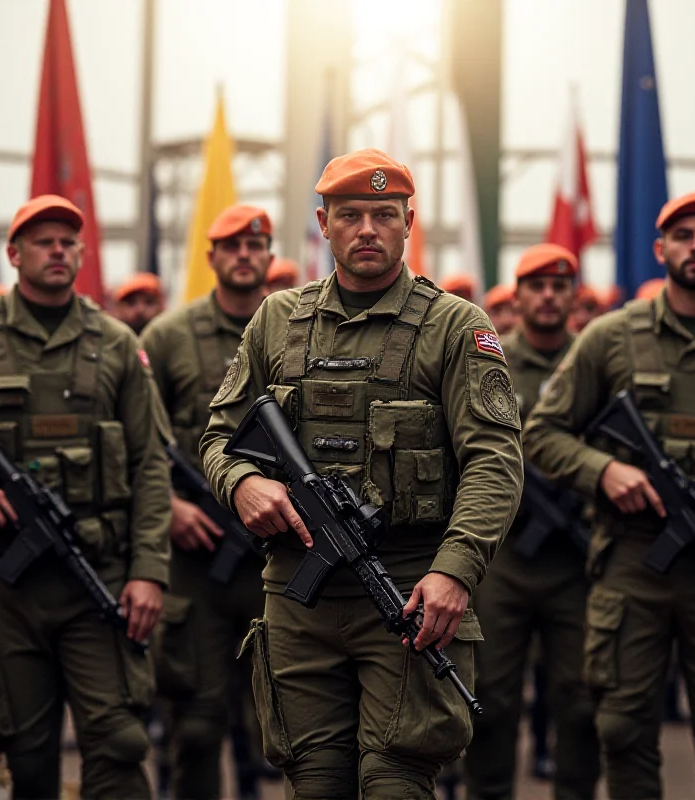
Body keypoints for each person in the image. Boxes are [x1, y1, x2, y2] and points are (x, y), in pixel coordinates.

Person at [200, 148, 523, 800]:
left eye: (384, 213)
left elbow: (495, 459)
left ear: (409, 221)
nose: (368, 228)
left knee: (395, 783)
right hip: (300, 594)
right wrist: (241, 484)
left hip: (410, 590)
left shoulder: (455, 326)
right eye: (351, 214)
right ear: (324, 222)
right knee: (315, 784)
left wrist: (455, 570)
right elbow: (216, 437)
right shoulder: (276, 320)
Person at [523, 192, 695, 800]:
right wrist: (602, 470)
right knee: (620, 728)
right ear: (660, 249)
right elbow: (542, 433)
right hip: (632, 566)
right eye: (684, 236)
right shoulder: (610, 339)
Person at [0, 194, 170, 799]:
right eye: (43, 241)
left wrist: (148, 572)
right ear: (13, 254)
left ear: (83, 253)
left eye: (68, 241)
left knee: (118, 746)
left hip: (101, 578)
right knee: (27, 755)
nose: (58, 250)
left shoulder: (115, 344)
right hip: (4, 588)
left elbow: (149, 466)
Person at [140, 203, 275, 800]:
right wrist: (169, 507)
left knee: (295, 728)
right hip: (196, 565)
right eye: (232, 245)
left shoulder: (297, 329)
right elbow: (137, 443)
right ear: (212, 257)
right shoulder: (168, 338)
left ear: (269, 256)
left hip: (280, 563)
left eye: (256, 245)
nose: (245, 255)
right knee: (195, 728)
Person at [464, 243, 599, 800]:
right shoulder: (487, 357)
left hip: (577, 559)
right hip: (503, 560)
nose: (547, 297)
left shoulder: (595, 358)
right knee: (490, 701)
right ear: (515, 298)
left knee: (583, 701)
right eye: (536, 287)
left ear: (572, 296)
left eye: (558, 286)